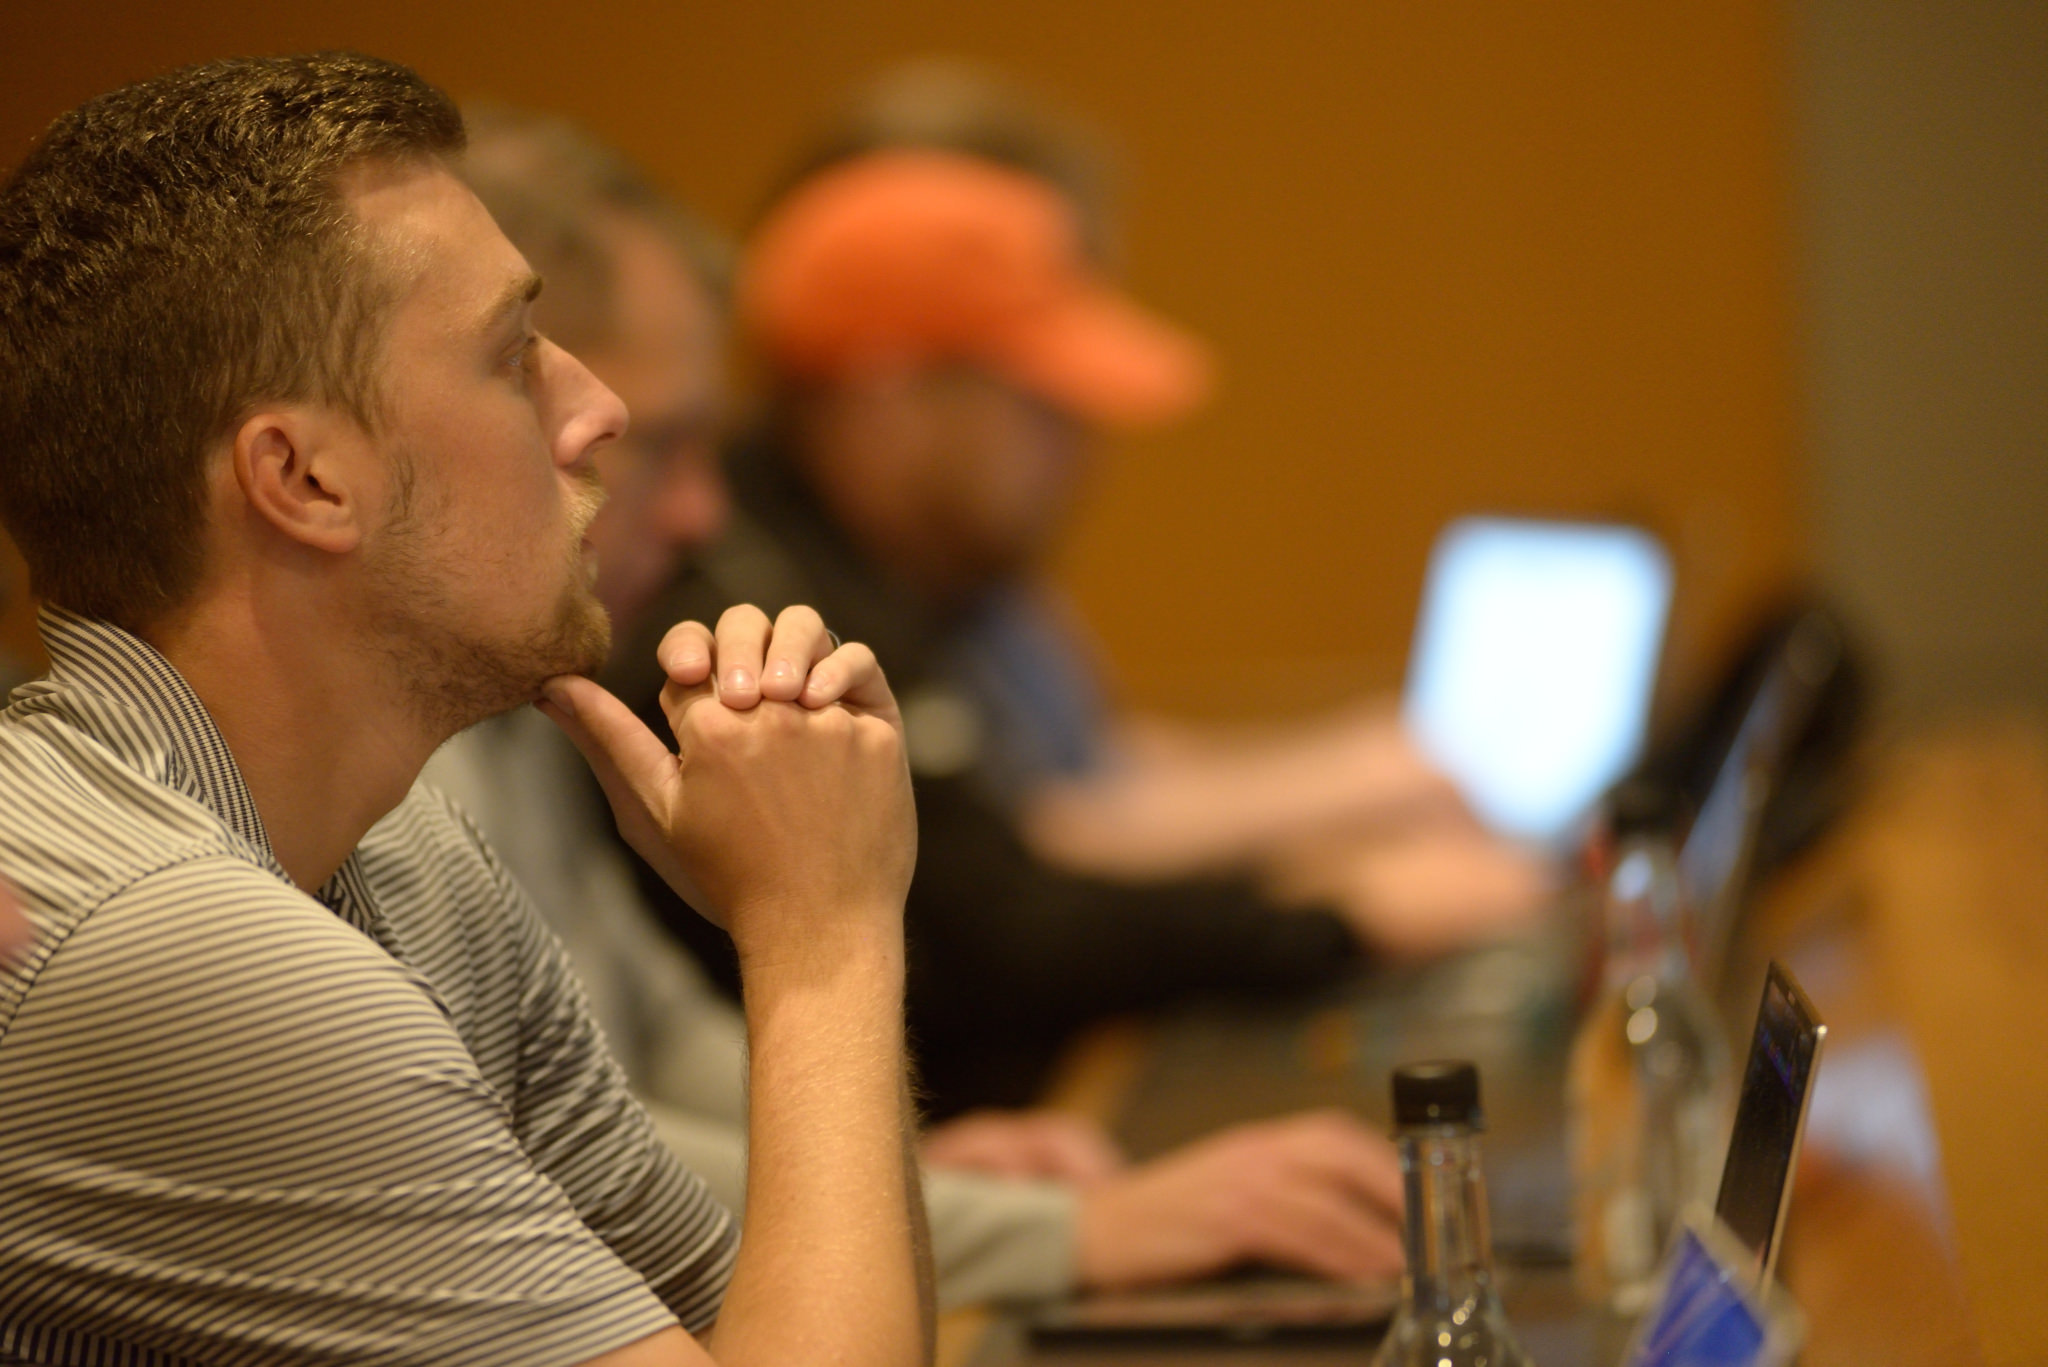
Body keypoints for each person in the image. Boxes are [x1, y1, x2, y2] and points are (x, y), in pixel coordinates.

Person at [0, 53, 929, 1365]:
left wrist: (826, 924)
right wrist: (825, 932)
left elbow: (777, 1325)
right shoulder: (165, 942)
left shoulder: (414, 860)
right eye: (512, 357)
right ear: (306, 477)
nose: (598, 408)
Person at [428, 106, 1407, 1304]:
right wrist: (1055, 1231)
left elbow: (638, 1052)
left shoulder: (535, 687)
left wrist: (891, 1169)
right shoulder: (686, 622)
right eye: (657, 443)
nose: (699, 515)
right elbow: (550, 1178)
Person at [620, 142, 1545, 1117]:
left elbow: (1063, 825)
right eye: (1042, 405)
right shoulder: (745, 609)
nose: (1083, 448)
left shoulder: (908, 568)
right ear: (888, 395)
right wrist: (1339, 919)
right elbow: (1004, 935)